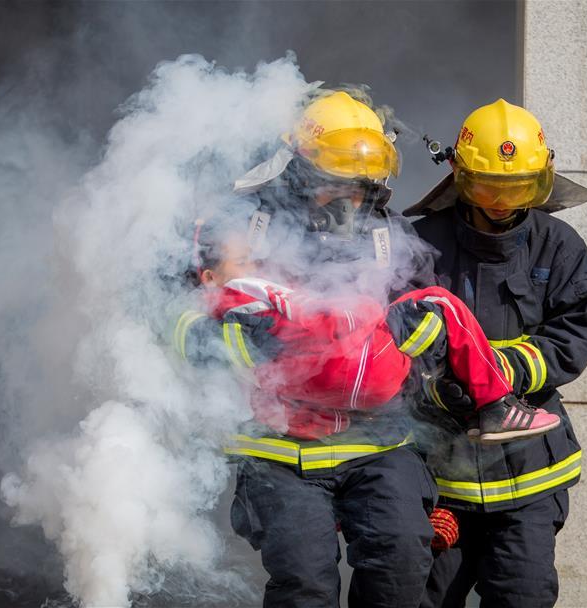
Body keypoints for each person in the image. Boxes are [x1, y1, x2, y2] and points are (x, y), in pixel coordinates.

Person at [173, 90, 438, 608]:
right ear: (300, 171)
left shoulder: (391, 237)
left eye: (360, 185)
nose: (350, 199)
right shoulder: (239, 227)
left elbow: (427, 319)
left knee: (402, 567)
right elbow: (175, 316)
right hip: (278, 446)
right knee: (306, 586)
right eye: (335, 183)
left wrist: (411, 344)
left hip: (378, 443)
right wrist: (248, 345)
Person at [406, 99, 587, 608]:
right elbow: (391, 339)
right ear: (458, 172)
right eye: (489, 186)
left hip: (528, 474)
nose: (500, 201)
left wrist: (501, 369)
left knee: (525, 595)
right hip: (440, 476)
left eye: (516, 188)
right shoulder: (420, 245)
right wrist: (435, 383)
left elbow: (576, 334)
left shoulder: (558, 245)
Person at [180, 218, 560, 442]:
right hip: (368, 370)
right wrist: (368, 312)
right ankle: (498, 406)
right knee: (442, 303)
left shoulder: (218, 317)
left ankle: (332, 421)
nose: (258, 265)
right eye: (245, 260)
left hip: (322, 402)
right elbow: (319, 318)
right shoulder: (246, 289)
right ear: (211, 277)